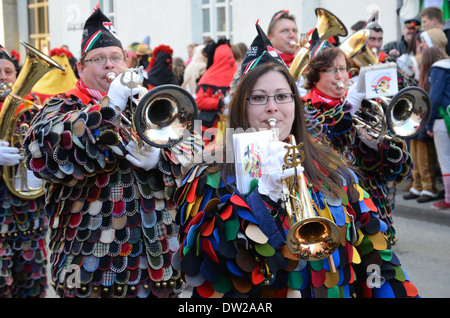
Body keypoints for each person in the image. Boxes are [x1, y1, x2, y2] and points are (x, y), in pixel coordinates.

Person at [174, 24, 419, 298]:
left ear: (294, 103)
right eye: (258, 98)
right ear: (241, 105)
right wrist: (259, 199)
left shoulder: (333, 170)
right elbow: (201, 263)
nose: (272, 107)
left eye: (281, 96)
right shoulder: (207, 172)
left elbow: (377, 260)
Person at [23, 7, 199, 298]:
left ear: (126, 62)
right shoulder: (62, 105)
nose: (109, 66)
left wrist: (162, 158)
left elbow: (196, 148)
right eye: (98, 60)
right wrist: (111, 107)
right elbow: (42, 154)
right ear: (81, 68)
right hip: (88, 270)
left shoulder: (153, 99)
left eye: (115, 57)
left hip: (159, 269)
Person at [302, 36, 413, 244]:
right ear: (315, 75)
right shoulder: (304, 108)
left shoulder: (367, 104)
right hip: (332, 206)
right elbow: (319, 140)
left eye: (343, 69)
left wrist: (375, 144)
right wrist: (349, 106)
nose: (340, 76)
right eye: (332, 70)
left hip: (373, 205)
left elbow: (399, 165)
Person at [0, 44, 48, 298]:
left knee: (33, 283)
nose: (3, 77)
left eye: (9, 71)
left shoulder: (32, 107)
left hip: (31, 218)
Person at [402, 27, 448, 203]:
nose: (420, 46)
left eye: (424, 42)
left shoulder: (438, 64)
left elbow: (434, 96)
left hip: (433, 115)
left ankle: (428, 186)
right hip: (423, 111)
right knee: (416, 147)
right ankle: (418, 183)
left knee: (427, 151)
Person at [422, 46, 450, 210]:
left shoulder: (437, 68)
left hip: (442, 119)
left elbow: (434, 97)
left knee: (445, 160)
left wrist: (429, 124)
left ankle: (448, 198)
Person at [195, 38, 236, 142]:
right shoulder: (207, 77)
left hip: (231, 125)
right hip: (210, 126)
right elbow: (200, 101)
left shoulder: (236, 76)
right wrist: (220, 102)